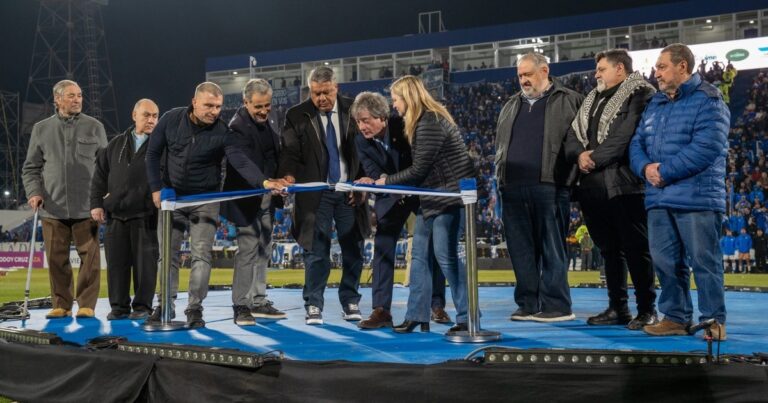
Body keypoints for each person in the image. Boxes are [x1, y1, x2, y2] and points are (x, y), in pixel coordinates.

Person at [145, 82, 283, 328]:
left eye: (218, 106)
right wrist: (156, 188)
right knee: (167, 256)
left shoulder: (223, 132)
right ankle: (164, 305)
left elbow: (239, 160)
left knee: (201, 256)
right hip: (172, 198)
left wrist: (263, 180)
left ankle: (194, 308)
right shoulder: (170, 119)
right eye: (208, 105)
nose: (214, 111)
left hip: (206, 200)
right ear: (194, 101)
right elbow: (153, 153)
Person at [629, 43, 730, 340]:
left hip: (696, 196)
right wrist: (645, 168)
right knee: (665, 261)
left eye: (661, 67)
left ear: (682, 66)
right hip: (659, 197)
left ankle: (713, 321)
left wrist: (662, 172)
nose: (655, 73)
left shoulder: (709, 100)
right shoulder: (656, 103)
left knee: (704, 262)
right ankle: (675, 317)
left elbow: (707, 148)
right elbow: (637, 143)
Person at [564, 49, 658, 330]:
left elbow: (626, 135)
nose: (596, 74)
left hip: (624, 184)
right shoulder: (591, 99)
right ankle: (618, 307)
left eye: (601, 69)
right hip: (591, 187)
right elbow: (571, 135)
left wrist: (592, 158)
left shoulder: (640, 93)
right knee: (608, 250)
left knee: (636, 248)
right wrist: (579, 155)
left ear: (620, 69)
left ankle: (647, 310)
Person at [377, 75, 476, 335]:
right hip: (432, 197)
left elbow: (419, 169)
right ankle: (416, 315)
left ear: (407, 98)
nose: (394, 106)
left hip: (447, 198)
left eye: (396, 100)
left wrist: (387, 181)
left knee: (446, 257)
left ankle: (468, 316)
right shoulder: (424, 121)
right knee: (419, 257)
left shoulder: (428, 121)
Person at [494, 52, 584, 322]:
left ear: (544, 71)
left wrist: (571, 179)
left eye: (528, 74)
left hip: (550, 185)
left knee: (551, 247)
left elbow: (579, 140)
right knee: (521, 249)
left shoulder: (569, 100)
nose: (523, 80)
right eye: (520, 75)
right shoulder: (510, 104)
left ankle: (557, 306)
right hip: (511, 187)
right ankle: (528, 303)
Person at [277, 66, 369, 325]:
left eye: (326, 93)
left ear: (336, 88)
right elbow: (290, 153)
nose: (321, 99)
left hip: (348, 192)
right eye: (316, 93)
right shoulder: (297, 115)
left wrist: (362, 184)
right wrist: (288, 175)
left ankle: (350, 300)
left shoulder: (353, 110)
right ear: (310, 90)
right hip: (315, 193)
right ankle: (313, 304)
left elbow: (365, 150)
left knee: (353, 248)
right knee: (316, 251)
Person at [351, 91, 450, 329]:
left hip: (419, 193)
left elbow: (418, 163)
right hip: (391, 197)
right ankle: (381, 310)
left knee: (434, 249)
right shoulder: (360, 141)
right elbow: (373, 172)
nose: (361, 126)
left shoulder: (405, 127)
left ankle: (437, 305)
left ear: (382, 117)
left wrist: (389, 179)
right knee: (383, 247)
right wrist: (377, 181)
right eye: (358, 121)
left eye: (365, 120)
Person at [22, 79, 107, 319]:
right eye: (71, 96)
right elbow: (31, 168)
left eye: (79, 95)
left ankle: (87, 304)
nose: (77, 99)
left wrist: (102, 197)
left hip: (87, 207)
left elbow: (105, 166)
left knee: (89, 260)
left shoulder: (95, 126)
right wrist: (34, 192)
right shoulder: (41, 128)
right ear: (57, 99)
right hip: (52, 207)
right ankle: (61, 304)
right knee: (57, 259)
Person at [221, 79, 287, 326]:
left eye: (267, 105)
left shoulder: (271, 119)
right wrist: (265, 182)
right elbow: (240, 161)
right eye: (258, 106)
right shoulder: (236, 127)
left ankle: (259, 301)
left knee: (264, 249)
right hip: (247, 198)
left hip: (266, 198)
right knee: (248, 251)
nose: (263, 110)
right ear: (245, 102)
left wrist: (281, 179)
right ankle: (241, 305)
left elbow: (273, 154)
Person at [90, 99, 160, 321]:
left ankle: (142, 307)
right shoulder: (115, 144)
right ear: (134, 115)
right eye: (147, 115)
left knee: (145, 266)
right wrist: (96, 204)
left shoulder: (160, 144)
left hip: (146, 215)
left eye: (155, 116)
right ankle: (119, 307)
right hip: (116, 215)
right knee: (116, 265)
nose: (151, 120)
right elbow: (99, 176)